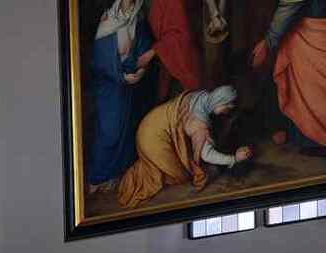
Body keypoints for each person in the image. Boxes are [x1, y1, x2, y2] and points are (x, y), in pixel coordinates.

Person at [118, 85, 254, 208]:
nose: (228, 110)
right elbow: (206, 155)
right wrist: (234, 159)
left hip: (149, 123)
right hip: (153, 137)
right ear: (220, 101)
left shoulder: (200, 97)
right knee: (181, 176)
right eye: (228, 106)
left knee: (179, 165)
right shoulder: (199, 124)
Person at [88, 0, 156, 192]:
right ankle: (97, 178)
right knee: (110, 131)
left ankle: (115, 176)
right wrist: (120, 77)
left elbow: (143, 48)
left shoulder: (138, 19)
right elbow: (100, 60)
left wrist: (141, 71)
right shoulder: (108, 20)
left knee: (127, 130)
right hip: (110, 85)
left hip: (130, 85)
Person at [252, 0, 326, 153]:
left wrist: (269, 41)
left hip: (311, 35)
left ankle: (314, 141)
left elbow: (289, 5)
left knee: (311, 91)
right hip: (316, 32)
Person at [141, 0, 204, 99]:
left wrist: (154, 51)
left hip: (180, 68)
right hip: (158, 67)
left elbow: (182, 36)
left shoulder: (174, 2)